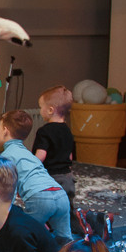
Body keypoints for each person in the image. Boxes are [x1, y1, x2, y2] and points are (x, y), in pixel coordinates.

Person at [0, 109, 72, 241]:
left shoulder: (6, 156)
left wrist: (3, 214)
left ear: (5, 130)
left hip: (40, 198)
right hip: (60, 195)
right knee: (65, 239)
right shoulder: (28, 155)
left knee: (24, 235)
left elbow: (8, 190)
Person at [33, 86, 76, 214]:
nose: (41, 110)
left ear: (50, 110)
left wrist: (30, 167)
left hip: (51, 178)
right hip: (67, 178)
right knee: (67, 209)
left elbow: (41, 156)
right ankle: (74, 229)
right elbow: (70, 156)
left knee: (48, 209)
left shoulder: (44, 131)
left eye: (41, 107)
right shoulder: (68, 131)